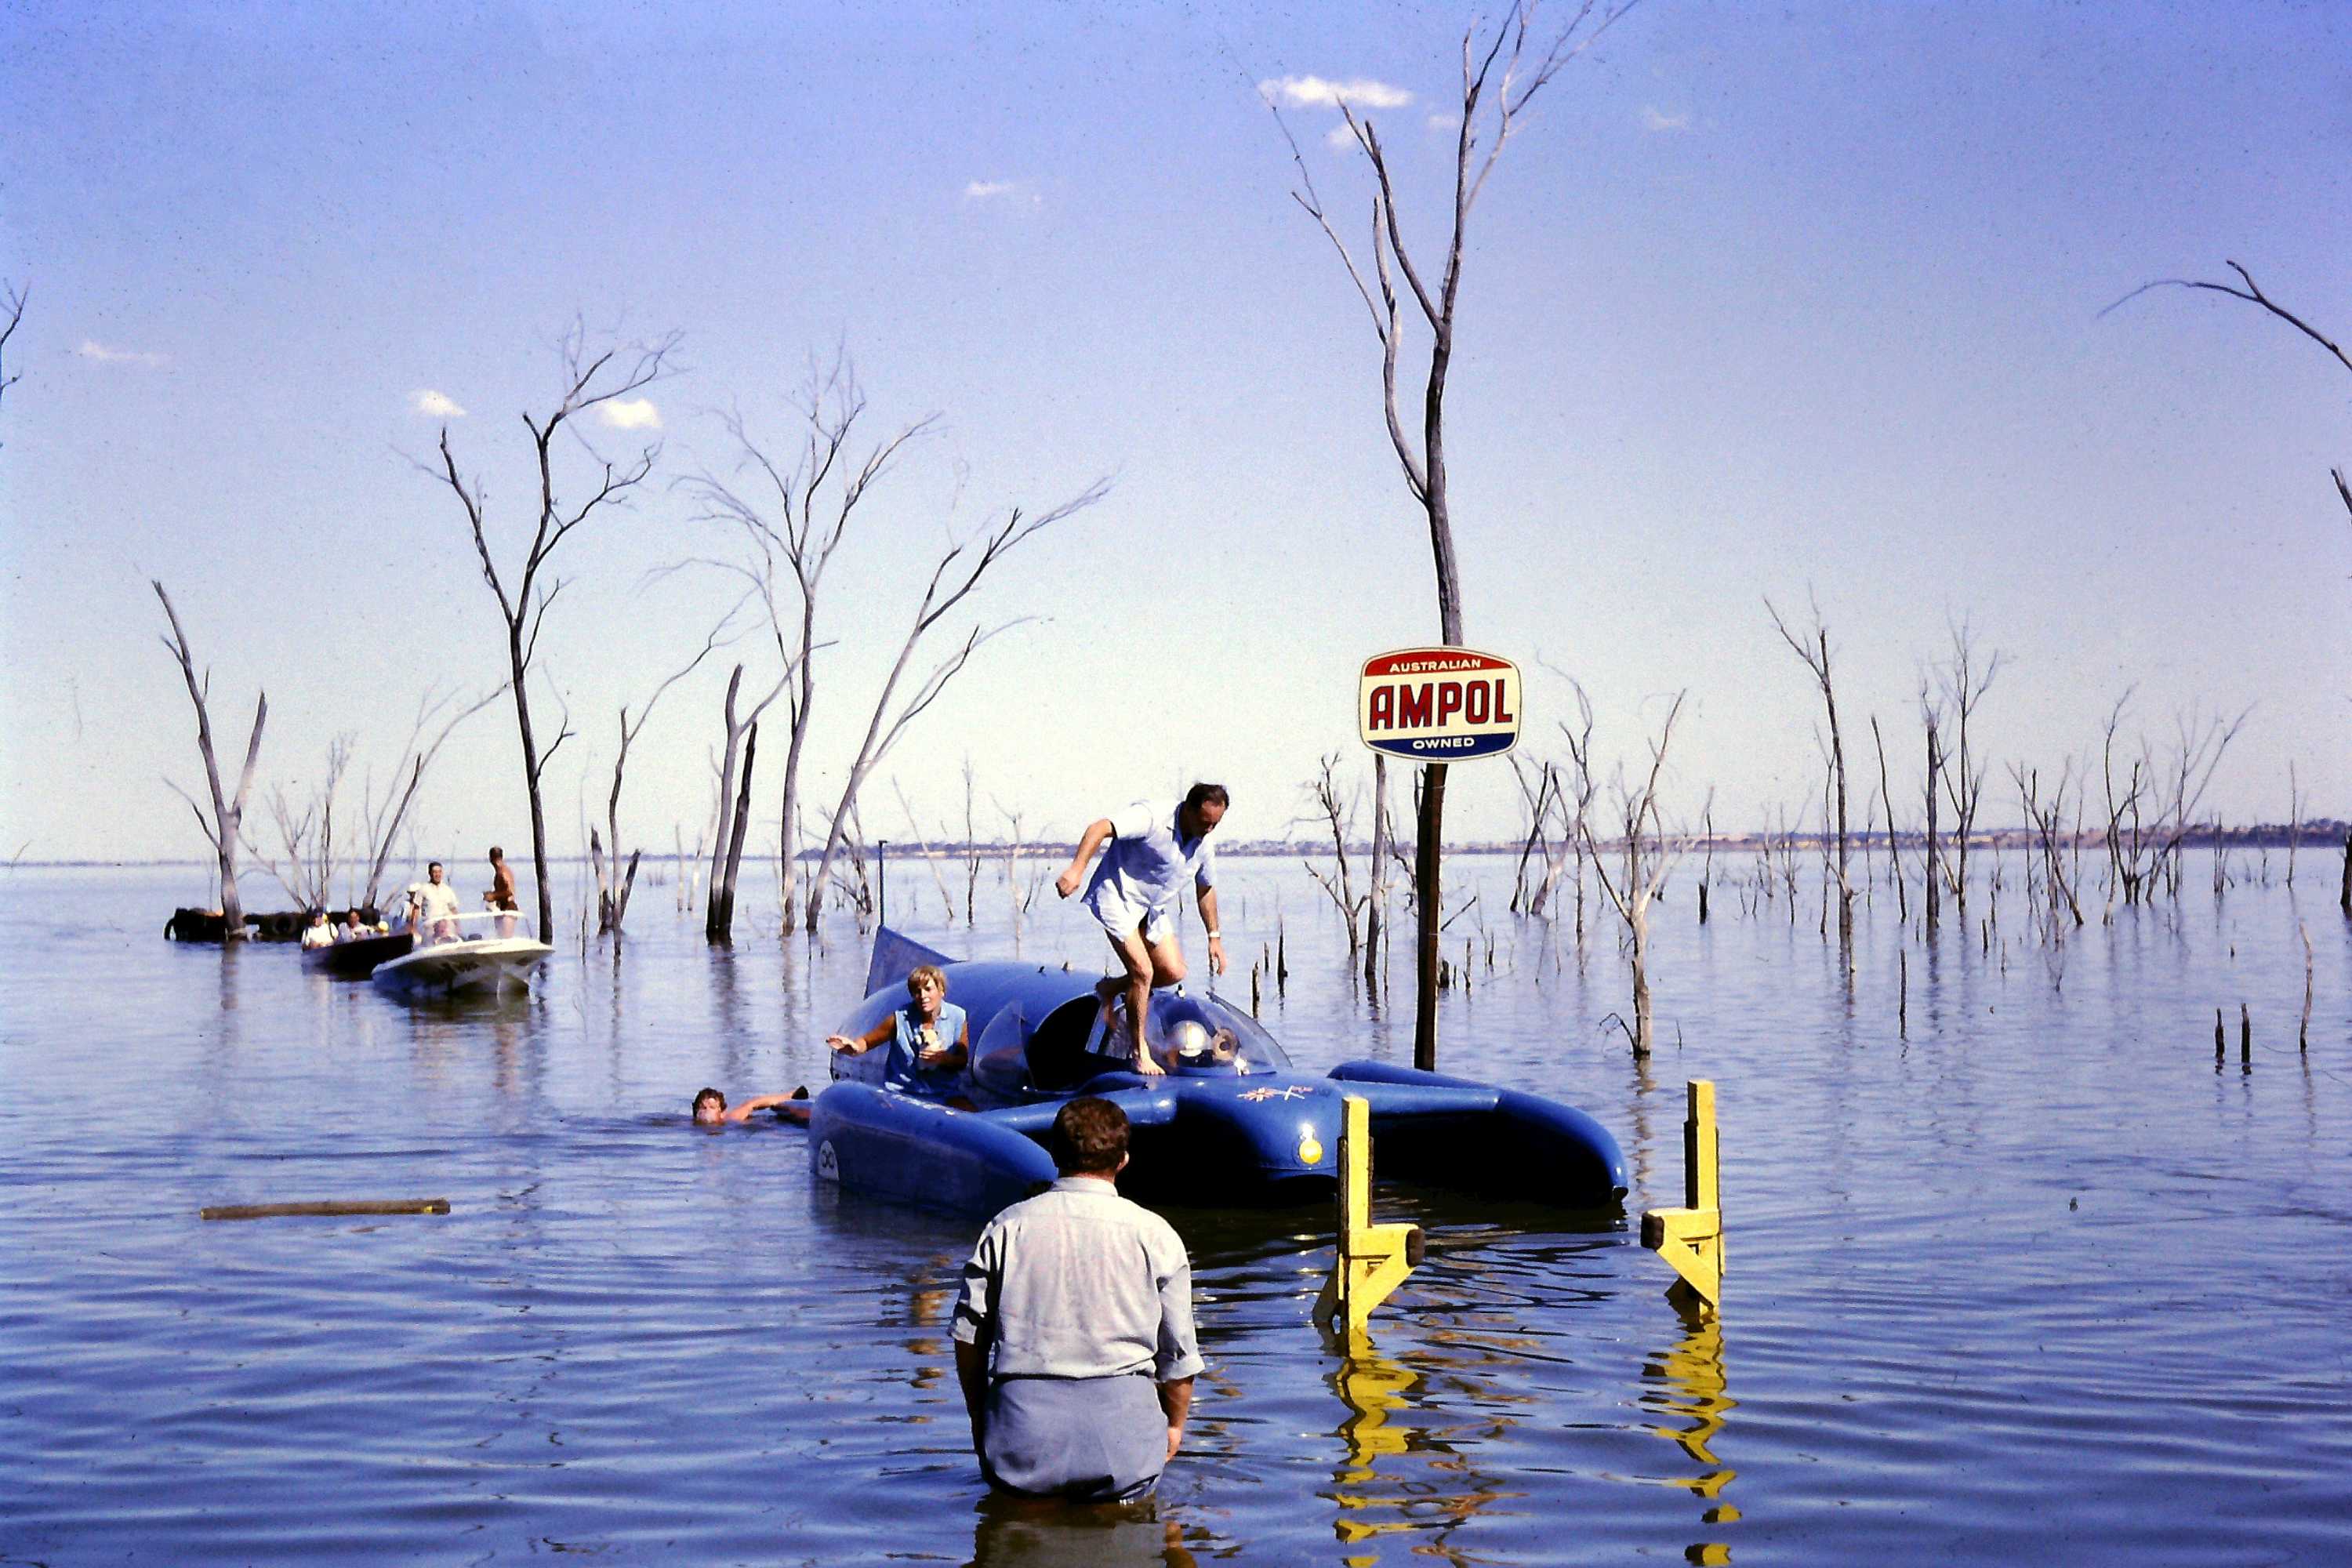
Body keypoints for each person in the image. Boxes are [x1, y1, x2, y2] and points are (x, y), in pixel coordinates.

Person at [952, 1097, 1200, 1501]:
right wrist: (1173, 1428)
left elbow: (968, 1337)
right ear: (1123, 1161)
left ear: (1052, 1154)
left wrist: (981, 1417)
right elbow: (1180, 1353)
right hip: (1126, 1444)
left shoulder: (1006, 1228)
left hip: (1022, 1436)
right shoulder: (1156, 1235)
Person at [1054, 785, 1229, 1076]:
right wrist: (1076, 869)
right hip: (1117, 898)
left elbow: (1206, 889)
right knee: (1144, 973)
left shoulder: (1203, 844)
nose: (1209, 829)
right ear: (1187, 809)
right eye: (1204, 821)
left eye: (1215, 824)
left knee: (1173, 972)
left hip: (1151, 910)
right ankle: (1140, 1052)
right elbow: (1100, 828)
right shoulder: (1152, 816)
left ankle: (1109, 988)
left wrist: (1214, 937)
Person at [828, 964, 970, 1096]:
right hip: (904, 1092)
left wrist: (944, 1058)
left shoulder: (957, 1016)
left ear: (941, 991)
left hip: (943, 1091)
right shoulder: (900, 1018)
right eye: (917, 991)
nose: (923, 996)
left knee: (969, 1113)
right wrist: (854, 1047)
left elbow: (962, 1060)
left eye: (928, 989)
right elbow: (866, 1042)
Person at [691, 1086, 811, 1125]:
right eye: (703, 1108)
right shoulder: (689, 1125)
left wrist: (790, 1095)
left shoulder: (731, 1119)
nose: (707, 1112)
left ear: (721, 1112)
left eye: (712, 1108)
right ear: (695, 1111)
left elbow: (753, 1104)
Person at [411, 861, 461, 944]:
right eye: (435, 872)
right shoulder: (423, 889)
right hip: (430, 928)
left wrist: (458, 926)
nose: (437, 875)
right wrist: (413, 928)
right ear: (430, 873)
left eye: (440, 872)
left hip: (446, 927)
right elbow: (416, 909)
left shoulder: (447, 890)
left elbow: (453, 909)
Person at [485, 846, 518, 938]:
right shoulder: (501, 871)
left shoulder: (503, 872)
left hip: (509, 908)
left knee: (505, 940)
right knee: (500, 938)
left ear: (491, 858)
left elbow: (509, 892)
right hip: (503, 908)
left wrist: (493, 896)